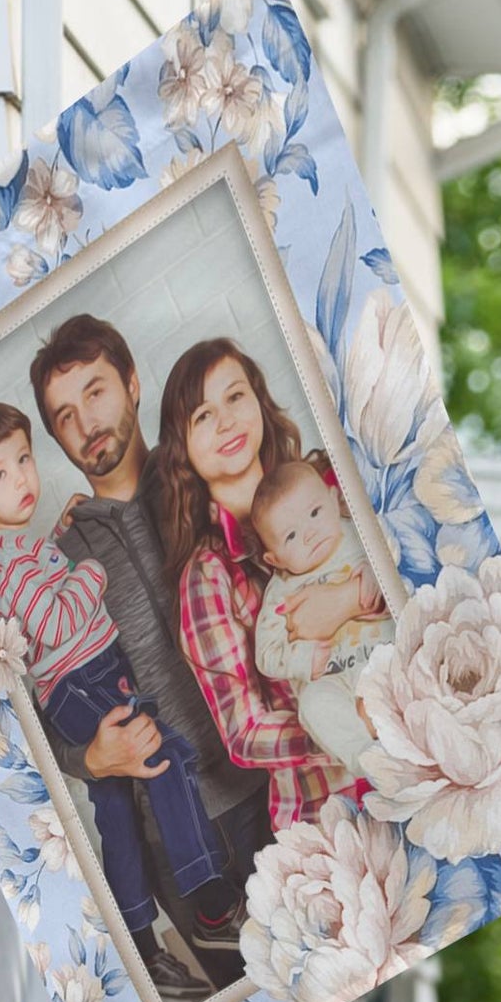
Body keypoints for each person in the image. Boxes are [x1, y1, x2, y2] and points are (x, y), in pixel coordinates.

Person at [0, 401, 240, 1002]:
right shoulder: (6, 567)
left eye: (24, 459)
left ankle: (140, 943)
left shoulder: (19, 552)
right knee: (168, 758)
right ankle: (212, 905)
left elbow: (38, 579)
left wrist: (57, 541)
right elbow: (52, 619)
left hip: (85, 679)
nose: (23, 477)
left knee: (117, 811)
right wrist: (90, 573)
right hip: (85, 683)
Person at [29, 315, 274, 991]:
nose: (87, 422)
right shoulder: (58, 563)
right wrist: (89, 758)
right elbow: (41, 711)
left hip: (276, 789)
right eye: (64, 415)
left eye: (97, 391)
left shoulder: (207, 478)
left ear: (134, 384)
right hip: (181, 841)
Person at [156, 338, 369, 831]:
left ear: (259, 401)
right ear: (182, 449)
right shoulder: (206, 578)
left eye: (235, 397)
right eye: (202, 416)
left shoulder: (331, 481)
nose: (226, 421)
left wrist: (346, 602)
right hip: (326, 812)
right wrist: (351, 724)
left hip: (419, 737)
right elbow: (244, 731)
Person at [249, 459, 393, 776]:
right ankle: (369, 760)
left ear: (333, 498)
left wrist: (372, 575)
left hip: (388, 657)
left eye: (315, 513)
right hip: (337, 681)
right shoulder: (280, 593)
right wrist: (304, 658)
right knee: (314, 705)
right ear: (274, 559)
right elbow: (266, 654)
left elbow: (399, 562)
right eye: (291, 536)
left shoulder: (361, 538)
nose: (311, 534)